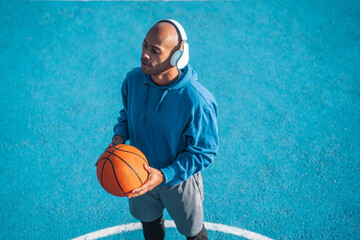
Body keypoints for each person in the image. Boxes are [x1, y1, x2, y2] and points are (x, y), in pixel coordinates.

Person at [110, 19, 218, 240]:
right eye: (144, 45)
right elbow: (127, 113)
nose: (145, 54)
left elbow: (204, 152)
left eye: (155, 50)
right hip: (138, 172)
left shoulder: (197, 101)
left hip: (178, 179)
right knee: (150, 225)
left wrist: (164, 175)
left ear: (176, 56)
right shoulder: (132, 80)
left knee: (194, 233)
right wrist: (120, 135)